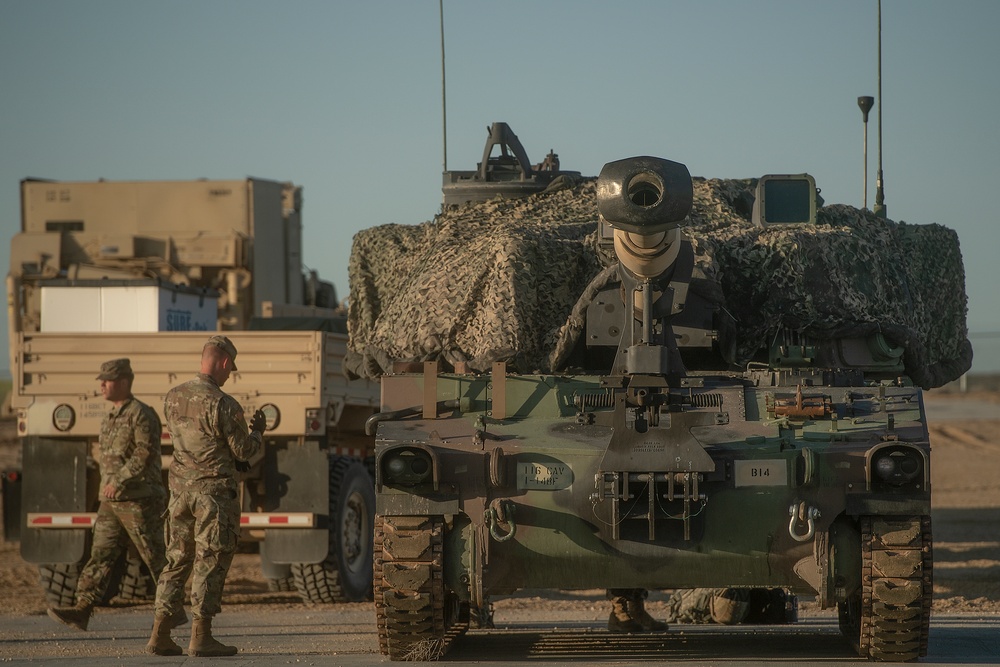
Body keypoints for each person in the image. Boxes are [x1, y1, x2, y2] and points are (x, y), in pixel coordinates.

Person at [146, 335, 265, 657]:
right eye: (231, 369)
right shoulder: (224, 404)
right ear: (224, 362)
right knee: (209, 561)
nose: (229, 375)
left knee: (176, 560)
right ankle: (201, 636)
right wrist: (258, 433)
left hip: (180, 493)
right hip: (213, 496)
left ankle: (160, 633)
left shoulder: (173, 397)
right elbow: (243, 450)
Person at [48, 358, 176, 632]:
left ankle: (174, 610)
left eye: (107, 380)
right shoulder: (108, 419)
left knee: (155, 557)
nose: (102, 385)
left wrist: (120, 480)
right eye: (101, 380)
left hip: (140, 499)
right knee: (101, 554)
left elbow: (146, 451)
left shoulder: (142, 414)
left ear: (124, 382)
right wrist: (109, 487)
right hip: (112, 502)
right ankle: (83, 608)